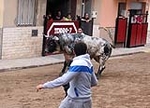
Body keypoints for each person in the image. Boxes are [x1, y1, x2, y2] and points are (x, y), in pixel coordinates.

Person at [36, 42, 98, 108]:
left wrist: (44, 85)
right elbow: (94, 82)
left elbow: (64, 80)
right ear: (86, 51)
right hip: (80, 99)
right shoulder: (89, 63)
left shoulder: (78, 63)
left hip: (77, 100)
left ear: (74, 51)